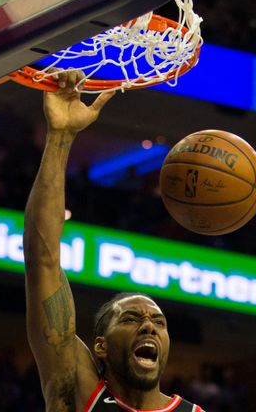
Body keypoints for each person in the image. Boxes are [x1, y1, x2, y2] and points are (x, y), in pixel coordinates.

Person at [23, 70, 204, 412]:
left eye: (158, 323)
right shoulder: (79, 392)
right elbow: (41, 259)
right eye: (131, 319)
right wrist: (61, 136)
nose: (149, 326)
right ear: (101, 347)